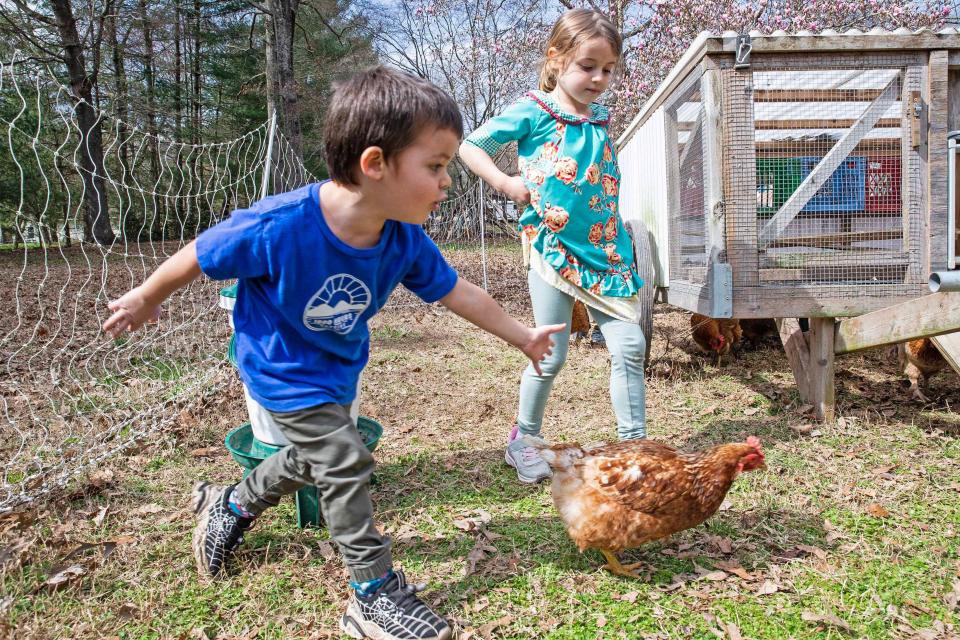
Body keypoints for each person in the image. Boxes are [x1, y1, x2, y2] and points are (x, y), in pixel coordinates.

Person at [103, 66, 563, 640]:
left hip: (337, 369)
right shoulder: (279, 225)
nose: (448, 182)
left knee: (319, 454)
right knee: (343, 459)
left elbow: (458, 292)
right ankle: (371, 594)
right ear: (375, 165)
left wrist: (521, 335)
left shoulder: (402, 238)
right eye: (436, 166)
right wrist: (147, 295)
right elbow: (201, 251)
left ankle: (231, 504)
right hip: (280, 368)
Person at [459, 8, 648, 486]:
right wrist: (505, 182)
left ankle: (635, 447)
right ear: (557, 58)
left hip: (607, 250)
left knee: (630, 345)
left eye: (608, 69)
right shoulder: (533, 110)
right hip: (552, 247)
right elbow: (471, 145)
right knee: (552, 353)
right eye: (588, 66)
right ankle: (523, 439)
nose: (599, 78)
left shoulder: (601, 119)